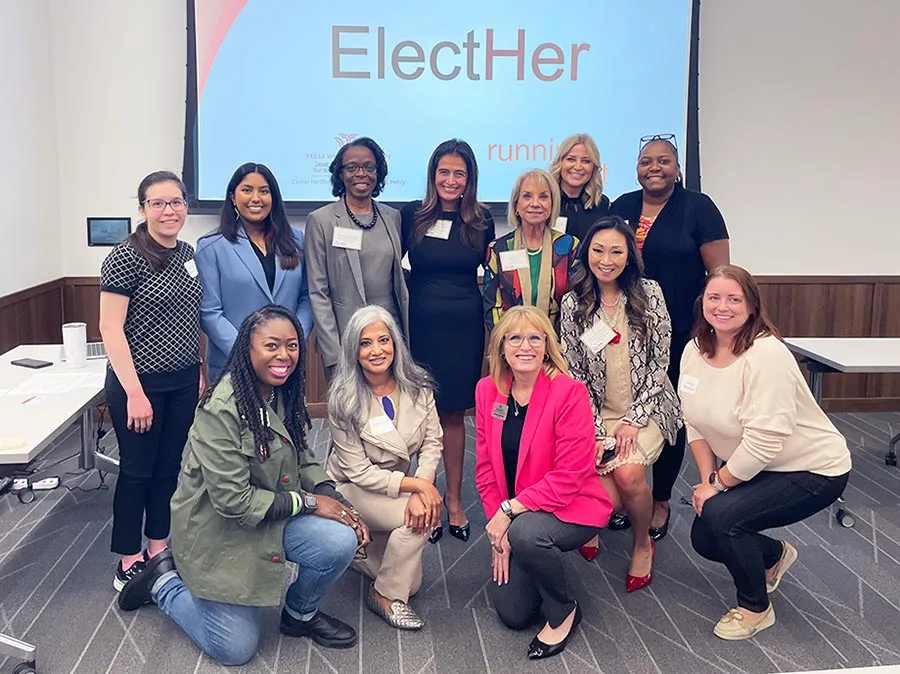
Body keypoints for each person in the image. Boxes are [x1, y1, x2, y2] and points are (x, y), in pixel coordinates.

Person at [116, 305, 370, 666]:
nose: (284, 356)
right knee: (235, 649)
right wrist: (312, 504)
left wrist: (334, 499)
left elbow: (303, 458)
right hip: (220, 531)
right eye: (271, 346)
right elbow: (235, 503)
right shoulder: (221, 408)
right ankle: (163, 583)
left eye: (292, 346)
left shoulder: (282, 392)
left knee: (339, 539)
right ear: (247, 349)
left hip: (269, 515)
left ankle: (299, 615)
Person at [681, 266, 851, 640]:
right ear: (702, 302)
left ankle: (755, 609)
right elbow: (694, 420)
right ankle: (773, 557)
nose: (722, 306)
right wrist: (708, 479)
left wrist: (719, 485)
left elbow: (765, 440)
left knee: (723, 518)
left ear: (752, 306)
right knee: (703, 536)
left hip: (813, 468)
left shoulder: (766, 355)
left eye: (733, 299)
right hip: (754, 463)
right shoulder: (695, 349)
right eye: (714, 297)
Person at [609, 134, 730, 537]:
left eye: (663, 161)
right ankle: (629, 493)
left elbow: (719, 276)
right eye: (646, 161)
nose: (654, 168)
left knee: (668, 414)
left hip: (680, 333)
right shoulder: (622, 206)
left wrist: (715, 329)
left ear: (677, 167)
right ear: (637, 168)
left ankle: (659, 501)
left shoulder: (699, 208)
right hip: (621, 332)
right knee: (625, 411)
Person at [475, 306, 612, 660]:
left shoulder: (569, 393)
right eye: (515, 337)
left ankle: (564, 610)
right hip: (518, 516)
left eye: (535, 337)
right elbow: (486, 470)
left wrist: (510, 513)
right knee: (514, 614)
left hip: (573, 505)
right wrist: (497, 528)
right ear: (501, 346)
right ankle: (537, 558)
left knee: (528, 535)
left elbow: (568, 478)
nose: (526, 346)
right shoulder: (487, 390)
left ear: (547, 345)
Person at [559, 217, 682, 589]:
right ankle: (595, 524)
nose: (606, 259)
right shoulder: (573, 302)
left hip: (649, 406)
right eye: (598, 250)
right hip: (597, 412)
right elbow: (574, 374)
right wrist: (596, 431)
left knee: (628, 475)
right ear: (587, 253)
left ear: (629, 255)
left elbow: (662, 362)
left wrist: (634, 419)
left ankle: (642, 542)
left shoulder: (650, 294)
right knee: (605, 495)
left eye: (616, 251)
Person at [99, 170, 204, 593]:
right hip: (136, 387)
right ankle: (129, 557)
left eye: (175, 202)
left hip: (181, 382)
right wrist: (135, 393)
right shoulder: (125, 256)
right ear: (142, 209)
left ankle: (159, 546)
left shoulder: (188, 254)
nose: (168, 211)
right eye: (157, 203)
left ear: (185, 206)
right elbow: (111, 329)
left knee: (168, 470)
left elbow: (188, 319)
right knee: (137, 473)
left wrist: (197, 369)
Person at [400, 139, 495, 543]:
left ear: (469, 178)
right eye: (444, 172)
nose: (451, 180)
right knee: (417, 415)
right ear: (432, 175)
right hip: (419, 325)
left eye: (460, 173)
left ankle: (453, 500)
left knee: (452, 415)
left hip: (464, 327)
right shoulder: (412, 216)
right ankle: (423, 496)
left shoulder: (482, 220)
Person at [326, 306, 443, 629]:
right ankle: (384, 595)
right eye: (365, 343)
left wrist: (423, 480)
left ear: (396, 344)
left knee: (414, 585)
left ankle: (357, 552)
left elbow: (433, 443)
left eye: (383, 340)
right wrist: (418, 489)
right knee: (420, 517)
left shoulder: (418, 386)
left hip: (397, 485)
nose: (377, 350)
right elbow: (359, 472)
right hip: (351, 488)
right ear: (354, 350)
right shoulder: (343, 398)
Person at [305, 137, 409, 383]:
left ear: (378, 173)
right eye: (352, 167)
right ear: (340, 174)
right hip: (345, 338)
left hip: (387, 339)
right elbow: (318, 292)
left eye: (369, 167)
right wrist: (333, 352)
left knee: (389, 411)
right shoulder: (321, 221)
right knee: (350, 415)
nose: (361, 174)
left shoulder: (392, 218)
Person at [196, 162, 313, 379]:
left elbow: (307, 297)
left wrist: (293, 343)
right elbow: (210, 312)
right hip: (233, 365)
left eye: (264, 191)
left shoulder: (297, 240)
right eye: (247, 190)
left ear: (274, 198)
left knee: (284, 414)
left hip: (285, 365)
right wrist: (249, 352)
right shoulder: (211, 245)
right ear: (233, 197)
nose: (256, 198)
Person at [483, 169, 578, 331]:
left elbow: (577, 303)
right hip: (512, 345)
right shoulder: (498, 249)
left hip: (559, 346)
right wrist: (509, 342)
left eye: (543, 196)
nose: (535, 203)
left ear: (552, 204)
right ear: (516, 205)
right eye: (527, 196)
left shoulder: (569, 246)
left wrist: (555, 346)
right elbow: (493, 306)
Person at [548, 133, 610, 241]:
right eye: (571, 159)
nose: (577, 167)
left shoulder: (601, 204)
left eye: (586, 161)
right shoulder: (546, 200)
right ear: (560, 162)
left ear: (593, 167)